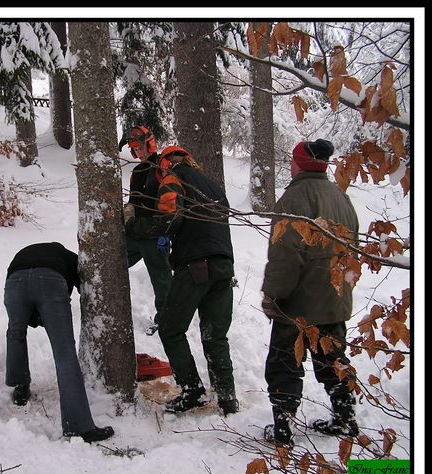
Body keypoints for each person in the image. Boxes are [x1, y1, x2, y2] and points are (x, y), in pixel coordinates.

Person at [261, 139, 360, 447]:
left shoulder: (295, 198)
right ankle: (346, 418)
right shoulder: (341, 198)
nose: (290, 166)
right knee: (332, 359)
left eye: (292, 161)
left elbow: (286, 254)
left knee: (284, 362)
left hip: (298, 304)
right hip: (334, 300)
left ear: (300, 164)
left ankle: (284, 427)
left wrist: (273, 295)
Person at [126, 146, 239, 416]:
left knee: (170, 328)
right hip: (224, 265)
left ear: (167, 162)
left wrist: (133, 224)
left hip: (196, 265)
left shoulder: (173, 179)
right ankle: (227, 399)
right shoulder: (212, 185)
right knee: (215, 336)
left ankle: (192, 391)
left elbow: (168, 219)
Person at [4, 242, 114, 444]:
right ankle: (79, 427)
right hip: (50, 281)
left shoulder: (25, 252)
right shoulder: (67, 257)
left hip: (14, 281)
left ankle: (20, 387)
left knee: (15, 334)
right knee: (64, 352)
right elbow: (86, 284)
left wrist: (33, 316)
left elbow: (24, 293)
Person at [119, 126, 173, 336]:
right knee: (116, 262)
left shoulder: (162, 166)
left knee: (161, 277)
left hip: (155, 232)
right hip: (135, 231)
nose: (138, 152)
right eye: (134, 148)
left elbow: (170, 200)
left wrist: (164, 231)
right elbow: (133, 201)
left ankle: (166, 320)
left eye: (140, 147)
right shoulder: (138, 172)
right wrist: (127, 212)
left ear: (149, 143)